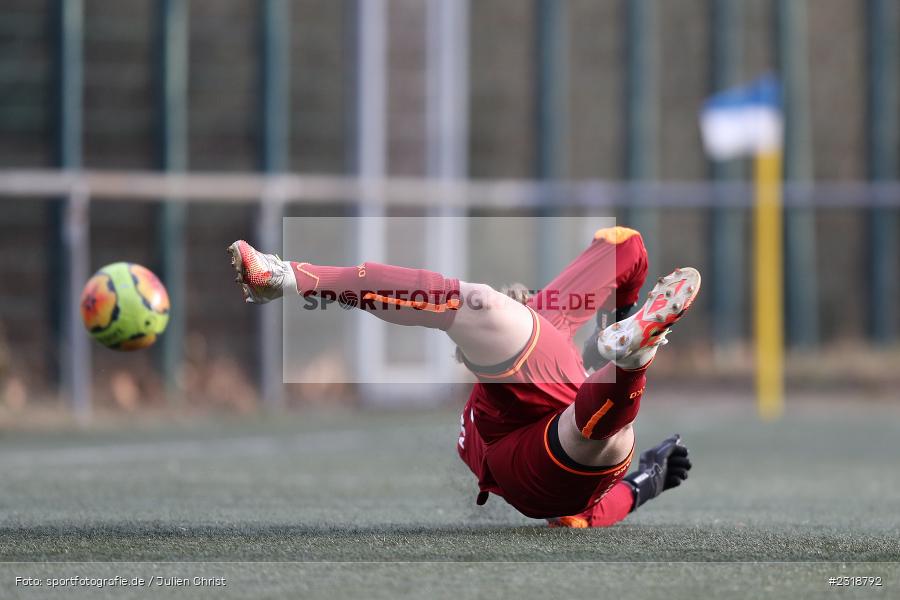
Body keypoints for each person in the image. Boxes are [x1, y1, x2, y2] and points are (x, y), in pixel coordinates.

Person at [227, 226, 696, 528]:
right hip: (528, 446)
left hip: (552, 456)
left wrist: (618, 321)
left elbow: (626, 248)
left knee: (602, 431)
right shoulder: (534, 341)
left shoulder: (548, 324)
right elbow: (626, 249)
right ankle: (635, 354)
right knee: (605, 432)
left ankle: (634, 353)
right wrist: (646, 482)